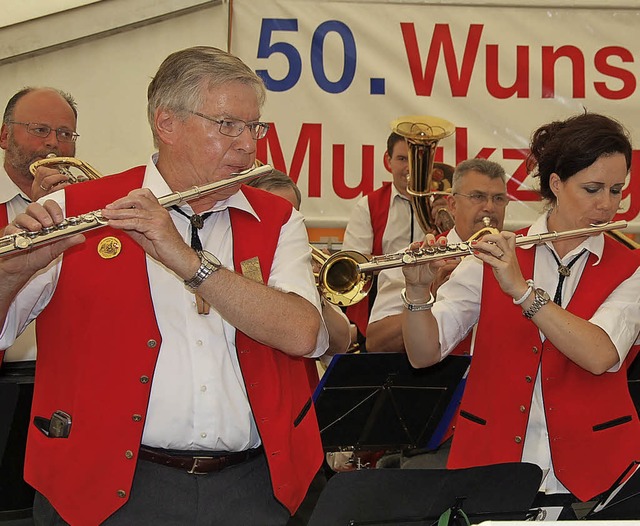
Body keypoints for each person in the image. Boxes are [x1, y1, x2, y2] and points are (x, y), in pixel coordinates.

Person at [0, 46, 328, 526]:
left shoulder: (278, 217)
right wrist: (11, 271)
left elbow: (305, 335)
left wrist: (186, 258)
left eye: (254, 127)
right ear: (167, 123)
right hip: (106, 493)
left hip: (252, 490)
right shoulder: (77, 206)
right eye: (227, 125)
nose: (248, 146)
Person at [401, 112, 640, 510]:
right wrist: (416, 291)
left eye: (617, 190)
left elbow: (600, 355)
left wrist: (523, 292)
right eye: (593, 188)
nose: (607, 205)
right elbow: (424, 352)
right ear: (556, 184)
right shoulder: (491, 254)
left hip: (598, 477)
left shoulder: (631, 268)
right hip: (492, 469)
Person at [366, 158, 509, 354]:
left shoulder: (516, 261)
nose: (490, 207)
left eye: (499, 199)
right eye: (478, 196)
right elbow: (376, 343)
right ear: (452, 205)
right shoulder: (414, 260)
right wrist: (428, 297)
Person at [0, 87, 79, 362]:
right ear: (5, 136)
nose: (53, 143)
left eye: (65, 134)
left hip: (66, 377)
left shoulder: (86, 203)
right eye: (40, 130)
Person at [248, 168, 353, 360]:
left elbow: (339, 346)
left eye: (289, 217)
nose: (283, 225)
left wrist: (319, 294)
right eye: (272, 214)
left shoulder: (303, 259)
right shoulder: (232, 256)